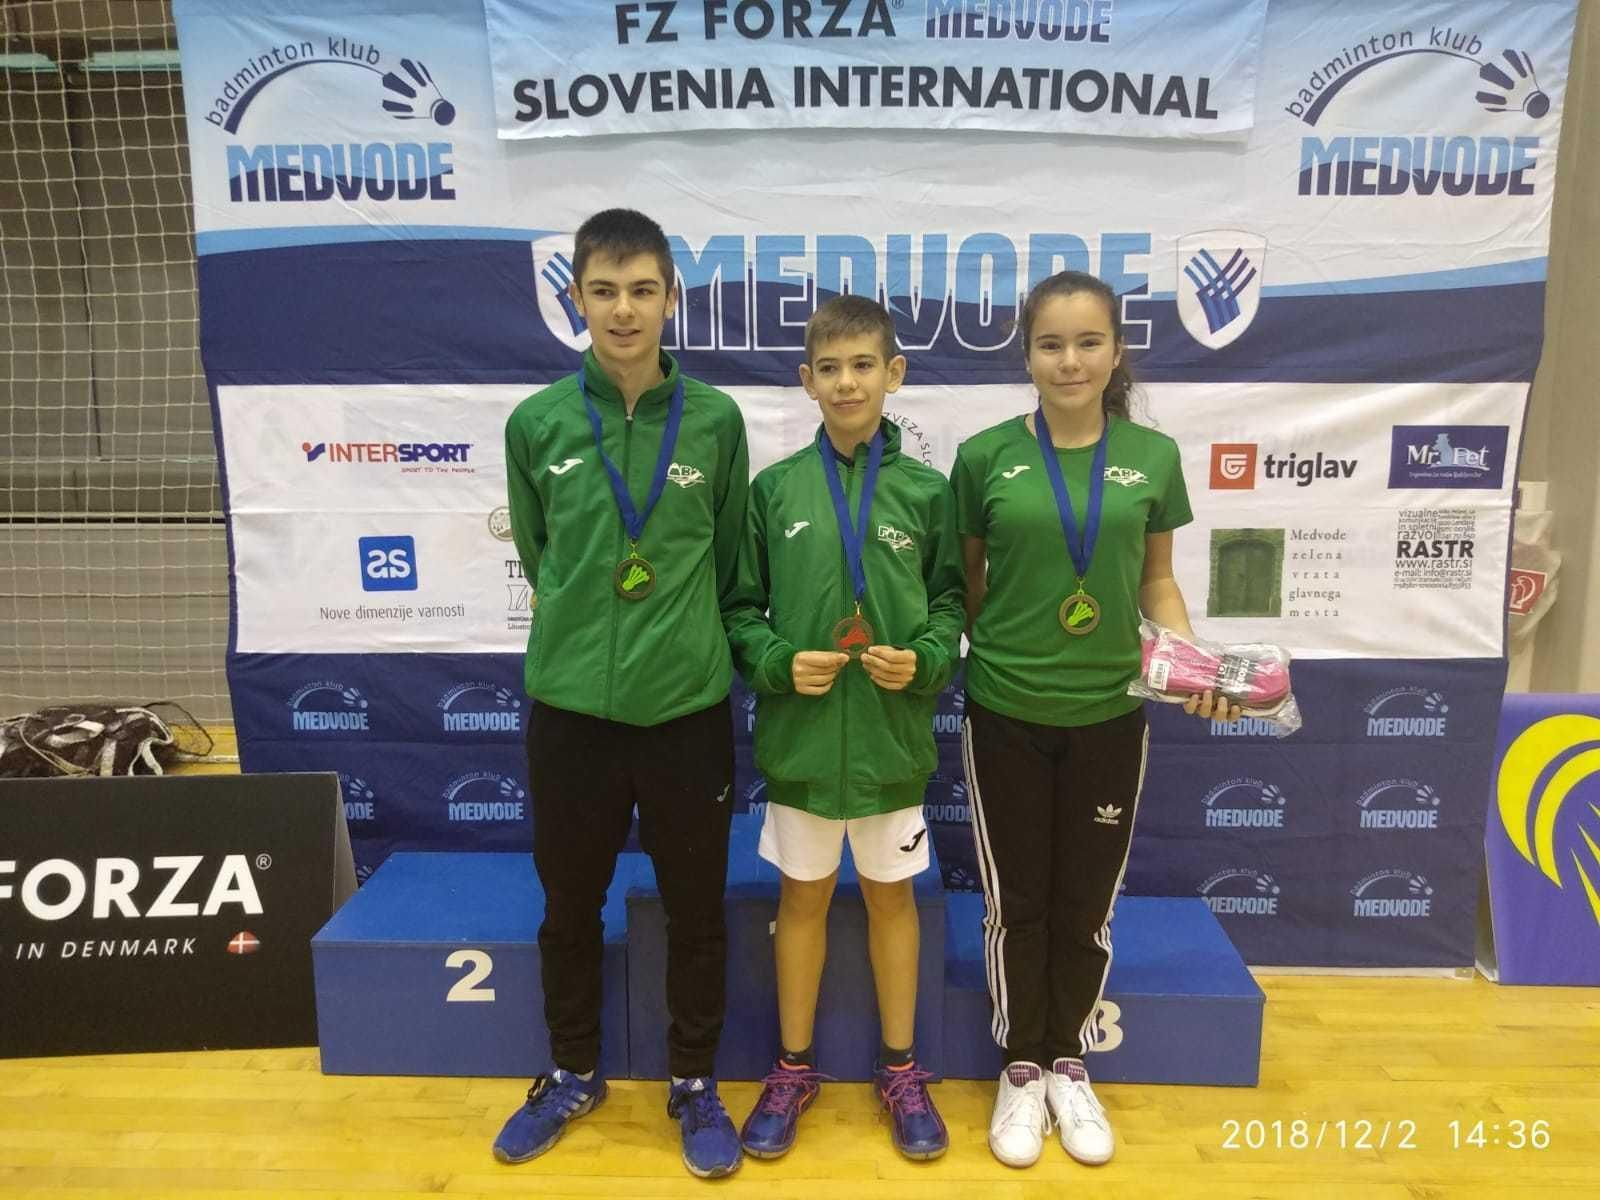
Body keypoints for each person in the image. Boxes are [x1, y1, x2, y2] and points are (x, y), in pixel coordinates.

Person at [950, 271, 1241, 1169]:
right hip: (1005, 709)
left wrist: (1188, 659)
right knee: (1018, 904)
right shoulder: (985, 457)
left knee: (1086, 904)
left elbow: (1156, 581)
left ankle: (1068, 1060)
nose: (1069, 360)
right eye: (1050, 344)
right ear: (1027, 355)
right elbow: (970, 589)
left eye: (1087, 343)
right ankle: (1020, 1067)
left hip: (1114, 712)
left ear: (1116, 351)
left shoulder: (1151, 458)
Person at [496, 208, 750, 1179]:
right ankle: (570, 1070)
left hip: (686, 710)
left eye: (642, 288)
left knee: (697, 909)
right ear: (576, 300)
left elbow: (728, 561)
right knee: (569, 906)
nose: (624, 308)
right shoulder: (538, 424)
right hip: (572, 714)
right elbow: (540, 553)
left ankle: (693, 1081)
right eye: (603, 290)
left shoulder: (718, 422)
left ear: (671, 298)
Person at [724, 295, 965, 1162]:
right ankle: (792, 1069)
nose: (847, 381)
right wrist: (779, 660)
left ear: (894, 374)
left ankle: (901, 1069)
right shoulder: (774, 490)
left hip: (892, 742)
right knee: (803, 902)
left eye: (864, 364)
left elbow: (949, 604)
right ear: (806, 382)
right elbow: (741, 609)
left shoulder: (928, 492)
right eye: (829, 367)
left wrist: (929, 658)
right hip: (800, 744)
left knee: (894, 900)